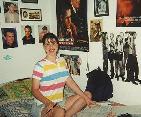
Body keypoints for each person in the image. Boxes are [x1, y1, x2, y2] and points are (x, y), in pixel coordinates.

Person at [31, 33, 94, 117]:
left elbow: (70, 81)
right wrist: (48, 102)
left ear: (57, 45)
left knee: (87, 95)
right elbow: (34, 90)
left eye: (53, 43)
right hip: (43, 104)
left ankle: (66, 115)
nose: (51, 46)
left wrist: (85, 98)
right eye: (47, 44)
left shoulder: (62, 61)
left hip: (59, 102)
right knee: (60, 112)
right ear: (44, 47)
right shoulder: (40, 66)